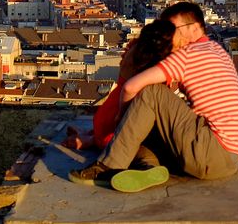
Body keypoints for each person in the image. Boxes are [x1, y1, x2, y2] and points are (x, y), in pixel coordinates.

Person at [70, 3, 238, 192]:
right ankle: (148, 167)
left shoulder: (185, 55)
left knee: (150, 92)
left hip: (209, 152)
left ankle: (107, 167)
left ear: (193, 28)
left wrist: (120, 118)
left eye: (172, 29)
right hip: (229, 160)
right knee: (145, 126)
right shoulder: (219, 51)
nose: (168, 35)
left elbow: (133, 87)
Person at [62, 19, 175, 160]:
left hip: (103, 119)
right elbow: (130, 92)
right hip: (113, 133)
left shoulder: (134, 49)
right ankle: (92, 140)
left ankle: (90, 136)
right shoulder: (155, 66)